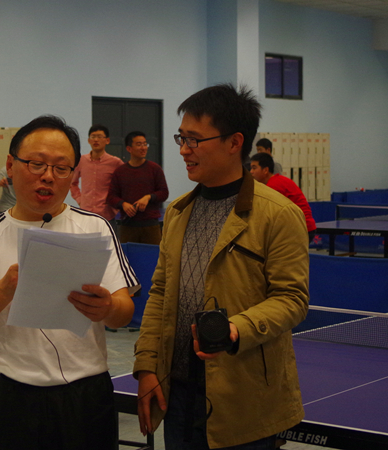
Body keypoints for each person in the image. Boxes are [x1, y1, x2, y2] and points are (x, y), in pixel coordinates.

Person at [0, 115, 139, 450]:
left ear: (72, 174)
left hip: (86, 397)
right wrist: (4, 290)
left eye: (61, 168)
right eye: (36, 164)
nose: (48, 176)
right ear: (11, 165)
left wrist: (107, 308)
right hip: (12, 398)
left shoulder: (95, 228)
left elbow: (124, 312)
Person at [133, 84, 309, 450]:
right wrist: (147, 365)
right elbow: (160, 292)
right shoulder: (178, 212)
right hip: (178, 394)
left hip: (245, 399)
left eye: (194, 140)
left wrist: (235, 329)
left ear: (234, 143)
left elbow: (291, 299)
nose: (183, 150)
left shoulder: (278, 214)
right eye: (182, 138)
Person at [106, 131, 169, 245]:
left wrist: (148, 197)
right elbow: (111, 197)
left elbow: (164, 193)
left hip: (151, 226)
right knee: (126, 256)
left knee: (153, 256)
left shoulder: (155, 169)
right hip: (127, 226)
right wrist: (123, 204)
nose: (143, 148)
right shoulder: (120, 171)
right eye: (139, 144)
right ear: (129, 148)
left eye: (145, 144)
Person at [250, 152, 317, 241]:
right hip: (302, 226)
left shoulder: (273, 186)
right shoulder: (278, 180)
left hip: (301, 228)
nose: (251, 171)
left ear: (265, 170)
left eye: (254, 168)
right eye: (251, 168)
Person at [69, 125, 124, 229]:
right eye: (93, 137)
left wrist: (117, 204)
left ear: (107, 140)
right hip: (86, 213)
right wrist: (80, 200)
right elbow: (72, 183)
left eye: (99, 137)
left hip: (107, 214)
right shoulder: (81, 160)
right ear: (89, 140)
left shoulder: (115, 162)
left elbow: (125, 184)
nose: (96, 140)